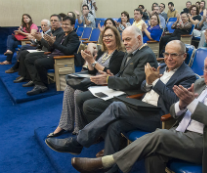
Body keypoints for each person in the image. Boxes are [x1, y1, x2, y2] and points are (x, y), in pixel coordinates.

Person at [67, 49, 207, 173]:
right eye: (206, 67)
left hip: (204, 143)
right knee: (154, 153)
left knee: (159, 135)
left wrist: (192, 104)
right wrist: (182, 104)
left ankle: (107, 161)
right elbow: (174, 111)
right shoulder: (200, 83)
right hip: (179, 133)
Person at [45, 40, 197, 173]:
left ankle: (78, 142)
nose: (169, 58)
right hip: (143, 106)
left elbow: (175, 104)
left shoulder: (188, 76)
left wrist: (156, 83)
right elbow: (143, 85)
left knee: (116, 107)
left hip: (160, 116)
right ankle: (110, 168)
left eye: (174, 55)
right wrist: (149, 82)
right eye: (167, 54)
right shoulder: (162, 66)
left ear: (184, 56)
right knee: (115, 124)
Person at [47, 26, 125, 137]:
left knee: (78, 92)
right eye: (105, 36)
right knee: (69, 87)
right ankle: (65, 124)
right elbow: (92, 71)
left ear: (116, 37)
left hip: (105, 84)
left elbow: (109, 73)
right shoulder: (103, 51)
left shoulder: (119, 54)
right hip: (93, 80)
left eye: (110, 35)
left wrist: (93, 61)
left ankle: (80, 127)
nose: (107, 38)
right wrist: (89, 61)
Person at [24, 16, 79, 96]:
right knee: (29, 58)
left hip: (61, 59)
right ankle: (37, 81)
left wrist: (53, 42)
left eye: (67, 24)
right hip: (53, 54)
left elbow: (68, 51)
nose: (64, 26)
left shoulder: (73, 36)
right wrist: (48, 41)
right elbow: (51, 48)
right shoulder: (63, 34)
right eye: (63, 24)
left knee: (39, 62)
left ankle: (42, 85)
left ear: (73, 26)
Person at [12, 14, 64, 84]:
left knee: (28, 57)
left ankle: (36, 80)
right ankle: (27, 76)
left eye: (55, 20)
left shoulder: (59, 32)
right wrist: (38, 39)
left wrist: (40, 39)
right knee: (24, 53)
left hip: (49, 53)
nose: (53, 22)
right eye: (52, 20)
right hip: (46, 50)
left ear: (60, 22)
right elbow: (48, 46)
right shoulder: (53, 31)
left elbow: (50, 48)